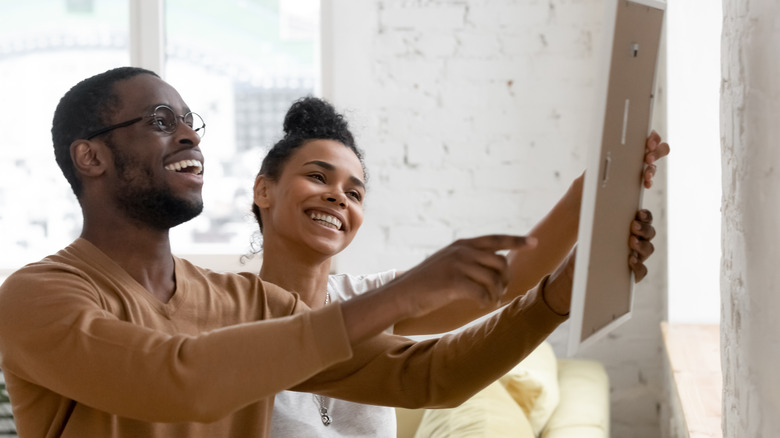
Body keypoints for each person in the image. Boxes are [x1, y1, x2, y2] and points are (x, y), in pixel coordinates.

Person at [0, 67, 631, 438]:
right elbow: (179, 379)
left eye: (192, 121)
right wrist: (402, 296)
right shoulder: (37, 297)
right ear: (91, 156)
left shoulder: (246, 301)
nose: (190, 134)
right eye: (162, 121)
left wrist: (559, 292)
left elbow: (428, 375)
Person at [254, 97, 667, 437]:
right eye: (317, 177)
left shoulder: (367, 299)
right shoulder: (230, 314)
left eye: (354, 193)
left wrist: (589, 193)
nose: (338, 197)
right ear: (263, 190)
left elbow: (506, 283)